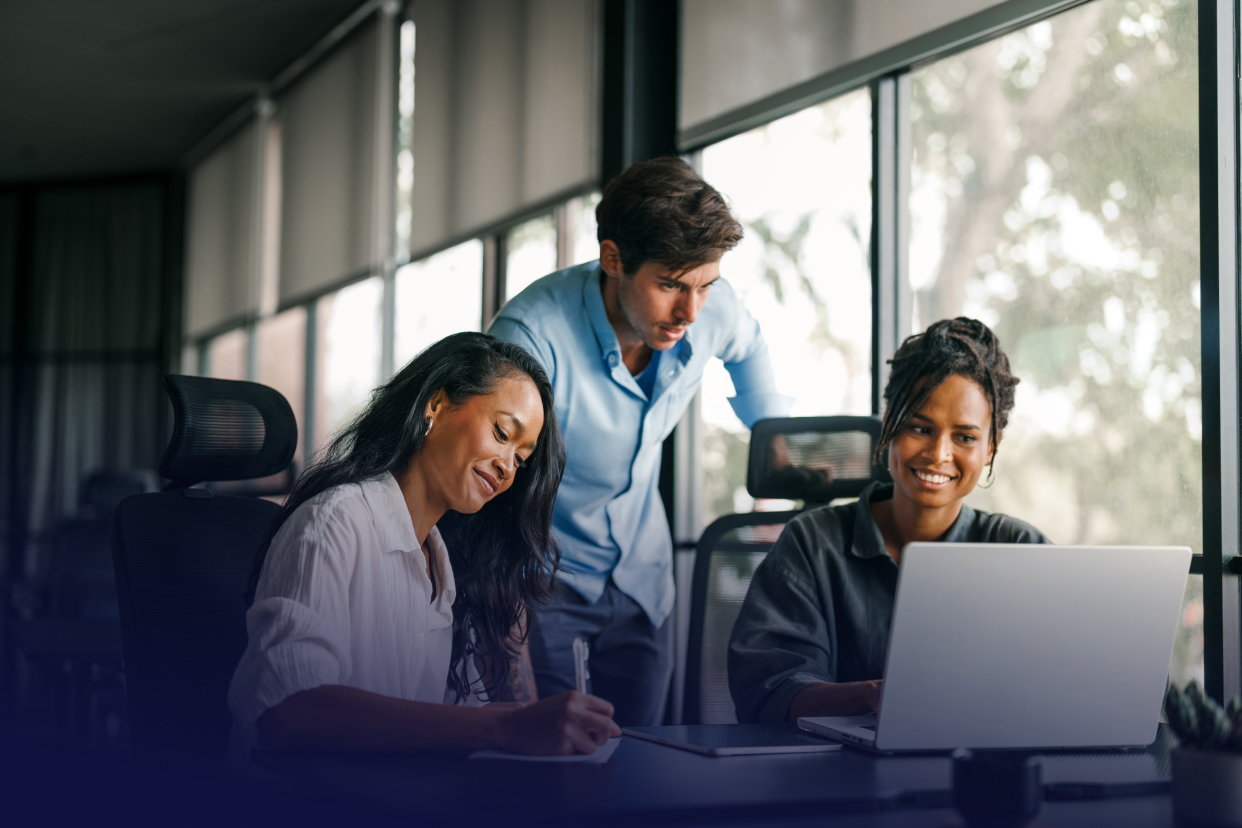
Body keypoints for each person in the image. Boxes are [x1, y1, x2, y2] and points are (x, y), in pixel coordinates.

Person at [488, 157, 791, 726]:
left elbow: (749, 348)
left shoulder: (706, 309)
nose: (689, 312)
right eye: (670, 285)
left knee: (643, 762)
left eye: (705, 286)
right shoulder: (531, 336)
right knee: (560, 774)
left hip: (645, 584)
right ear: (613, 259)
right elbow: (493, 485)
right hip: (546, 585)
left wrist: (770, 444)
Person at [227, 332, 620, 757]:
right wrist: (503, 727)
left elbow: (446, 725)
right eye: (503, 433)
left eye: (521, 460)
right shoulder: (335, 522)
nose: (508, 468)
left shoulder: (441, 564)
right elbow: (288, 712)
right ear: (435, 403)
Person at [728, 317, 1049, 724]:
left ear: (990, 447)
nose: (938, 454)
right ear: (889, 425)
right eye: (920, 427)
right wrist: (873, 697)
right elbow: (768, 691)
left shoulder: (1020, 550)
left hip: (977, 772)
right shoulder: (811, 544)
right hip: (834, 776)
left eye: (965, 437)